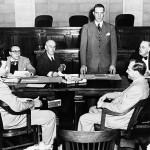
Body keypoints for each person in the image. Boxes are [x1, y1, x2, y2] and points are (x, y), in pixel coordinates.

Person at [0, 57, 56, 150]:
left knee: (35, 107)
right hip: (8, 120)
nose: (7, 69)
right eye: (4, 67)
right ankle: (47, 147)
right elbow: (17, 108)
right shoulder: (1, 86)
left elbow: (8, 100)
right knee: (50, 116)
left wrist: (27, 100)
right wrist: (33, 103)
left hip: (4, 116)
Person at [78, 59, 149, 131]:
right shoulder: (142, 83)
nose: (126, 71)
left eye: (129, 69)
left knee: (84, 119)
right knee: (92, 109)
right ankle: (96, 138)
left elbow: (120, 108)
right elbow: (124, 94)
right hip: (122, 115)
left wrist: (103, 104)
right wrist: (108, 95)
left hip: (120, 119)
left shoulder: (137, 88)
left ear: (136, 73)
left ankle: (86, 140)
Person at [80, 3, 117, 75]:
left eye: (101, 13)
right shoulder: (86, 28)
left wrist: (113, 64)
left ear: (104, 13)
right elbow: (83, 48)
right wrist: (83, 64)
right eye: (97, 13)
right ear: (93, 13)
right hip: (90, 66)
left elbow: (114, 48)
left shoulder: (111, 28)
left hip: (106, 66)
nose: (99, 15)